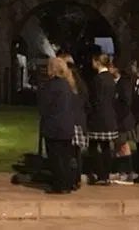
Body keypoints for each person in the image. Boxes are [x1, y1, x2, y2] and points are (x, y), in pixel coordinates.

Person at [40, 57, 80, 194]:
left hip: (54, 126)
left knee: (56, 157)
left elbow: (45, 106)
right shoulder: (68, 84)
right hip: (67, 125)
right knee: (65, 157)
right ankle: (67, 183)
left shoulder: (51, 85)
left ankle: (59, 185)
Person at [57, 50, 89, 188]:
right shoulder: (80, 82)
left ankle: (70, 179)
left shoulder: (65, 83)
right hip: (79, 121)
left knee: (68, 153)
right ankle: (75, 179)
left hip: (70, 122)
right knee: (75, 153)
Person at [87, 53, 119, 185]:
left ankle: (99, 173)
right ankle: (105, 174)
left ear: (97, 62)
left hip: (98, 117)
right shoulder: (110, 78)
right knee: (106, 147)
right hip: (109, 116)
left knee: (93, 147)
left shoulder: (98, 79)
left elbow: (96, 100)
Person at [110, 61, 136, 183]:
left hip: (123, 120)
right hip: (120, 119)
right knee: (119, 146)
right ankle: (122, 171)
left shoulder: (123, 83)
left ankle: (127, 172)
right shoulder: (118, 83)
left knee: (123, 146)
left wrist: (119, 117)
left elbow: (126, 102)